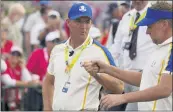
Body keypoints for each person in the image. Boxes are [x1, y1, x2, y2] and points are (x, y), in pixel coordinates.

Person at [82, 1, 172, 111]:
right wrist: (107, 69)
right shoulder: (160, 48)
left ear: (164, 24)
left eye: (150, 26)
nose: (147, 32)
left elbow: (165, 89)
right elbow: (145, 78)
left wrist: (123, 98)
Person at [42, 2, 124, 111]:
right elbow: (48, 81)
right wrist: (48, 109)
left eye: (87, 21)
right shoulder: (58, 49)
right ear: (68, 22)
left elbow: (119, 88)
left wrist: (98, 75)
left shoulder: (101, 51)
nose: (83, 26)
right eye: (78, 21)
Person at [108, 1, 157, 110]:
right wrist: (109, 67)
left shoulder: (154, 14)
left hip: (143, 76)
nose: (137, 1)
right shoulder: (127, 17)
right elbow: (116, 46)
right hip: (124, 75)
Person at [1, 46, 39, 110]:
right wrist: (27, 84)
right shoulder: (4, 65)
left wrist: (23, 67)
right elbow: (8, 82)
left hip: (17, 102)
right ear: (9, 54)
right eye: (13, 53)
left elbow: (28, 80)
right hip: (3, 101)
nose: (15, 56)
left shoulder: (19, 67)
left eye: (18, 55)